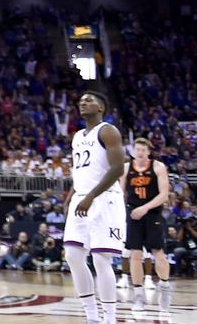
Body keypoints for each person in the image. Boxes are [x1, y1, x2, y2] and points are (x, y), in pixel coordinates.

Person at [63, 91, 126, 324]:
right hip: (82, 198)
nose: (83, 103)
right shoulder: (78, 136)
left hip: (105, 200)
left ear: (101, 107)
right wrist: (71, 196)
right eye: (80, 101)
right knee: (73, 256)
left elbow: (118, 169)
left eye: (89, 100)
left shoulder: (108, 131)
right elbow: (81, 171)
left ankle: (109, 318)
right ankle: (92, 317)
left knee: (101, 259)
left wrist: (90, 196)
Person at [121, 137, 172, 311]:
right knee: (135, 254)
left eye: (143, 150)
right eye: (138, 149)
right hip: (133, 214)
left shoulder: (158, 167)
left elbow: (164, 195)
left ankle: (165, 288)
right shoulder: (126, 168)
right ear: (133, 151)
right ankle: (138, 297)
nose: (140, 153)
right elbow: (120, 193)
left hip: (152, 213)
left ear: (148, 152)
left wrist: (145, 207)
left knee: (159, 253)